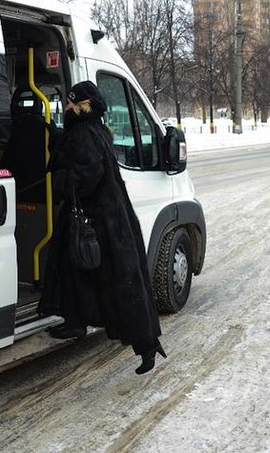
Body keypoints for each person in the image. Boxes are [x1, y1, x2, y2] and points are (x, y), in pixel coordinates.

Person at [38, 80, 166, 375]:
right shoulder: (94, 130)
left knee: (116, 285)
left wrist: (59, 179)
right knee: (81, 274)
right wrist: (58, 139)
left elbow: (86, 175)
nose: (66, 107)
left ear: (83, 107)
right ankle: (76, 322)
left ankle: (146, 345)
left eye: (71, 102)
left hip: (99, 222)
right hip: (107, 219)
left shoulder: (83, 133)